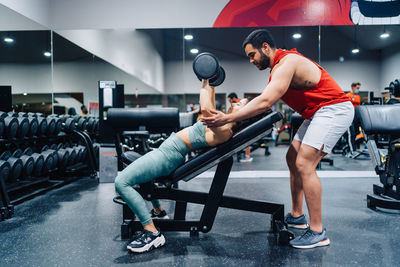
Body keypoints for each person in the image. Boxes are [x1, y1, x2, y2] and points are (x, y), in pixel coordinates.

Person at [201, 29, 353, 249]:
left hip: (333, 109)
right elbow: (264, 99)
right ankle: (297, 215)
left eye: (252, 55)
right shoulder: (278, 68)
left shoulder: (288, 62)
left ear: (265, 47)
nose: (251, 60)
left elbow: (265, 101)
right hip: (316, 112)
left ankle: (318, 231)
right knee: (293, 158)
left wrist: (229, 117)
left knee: (304, 163)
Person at [114, 80, 250, 253]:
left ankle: (152, 233)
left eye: (240, 104)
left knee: (121, 181)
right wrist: (212, 83)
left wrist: (204, 82)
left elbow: (206, 110)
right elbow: (211, 101)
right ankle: (159, 211)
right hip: (165, 152)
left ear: (243, 114)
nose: (236, 102)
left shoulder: (224, 131)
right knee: (139, 175)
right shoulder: (222, 123)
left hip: (166, 156)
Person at [346, 82, 361, 153]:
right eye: (357, 88)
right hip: (349, 117)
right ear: (352, 87)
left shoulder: (358, 96)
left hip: (356, 117)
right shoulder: (348, 95)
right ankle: (352, 150)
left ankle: (355, 148)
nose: (358, 89)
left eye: (359, 88)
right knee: (351, 134)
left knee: (357, 133)